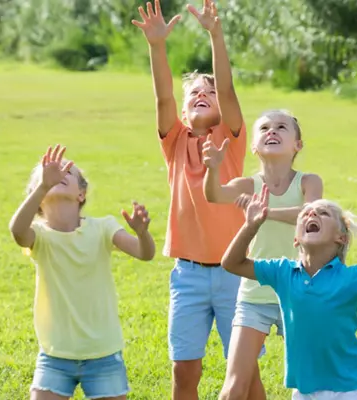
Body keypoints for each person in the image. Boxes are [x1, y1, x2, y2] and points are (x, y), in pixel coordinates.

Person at [133, 1, 247, 398]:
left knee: (244, 373)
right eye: (194, 93)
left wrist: (216, 34)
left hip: (236, 273)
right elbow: (163, 99)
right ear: (183, 111)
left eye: (208, 92)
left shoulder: (231, 141)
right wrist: (157, 46)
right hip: (189, 276)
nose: (203, 93)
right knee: (184, 372)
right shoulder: (176, 141)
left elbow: (228, 88)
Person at [221, 187, 357, 399]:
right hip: (304, 390)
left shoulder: (352, 277)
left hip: (347, 388)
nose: (312, 214)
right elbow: (231, 263)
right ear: (296, 240)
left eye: (323, 213)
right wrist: (250, 225)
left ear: (341, 238)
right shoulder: (282, 272)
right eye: (306, 214)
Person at [9, 145, 156, 400]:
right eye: (48, 174)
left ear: (81, 194)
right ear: (38, 195)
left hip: (103, 354)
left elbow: (145, 253)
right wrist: (43, 186)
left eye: (69, 171)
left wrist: (142, 233)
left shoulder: (102, 228)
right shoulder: (39, 237)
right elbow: (17, 232)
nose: (59, 172)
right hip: (55, 355)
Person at [203, 109, 323, 400]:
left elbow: (311, 215)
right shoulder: (249, 185)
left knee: (312, 385)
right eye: (265, 128)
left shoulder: (308, 182)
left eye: (282, 127)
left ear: (298, 145)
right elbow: (214, 195)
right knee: (233, 389)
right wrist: (213, 168)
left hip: (300, 291)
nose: (273, 131)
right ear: (254, 146)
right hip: (254, 292)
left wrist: (263, 214)